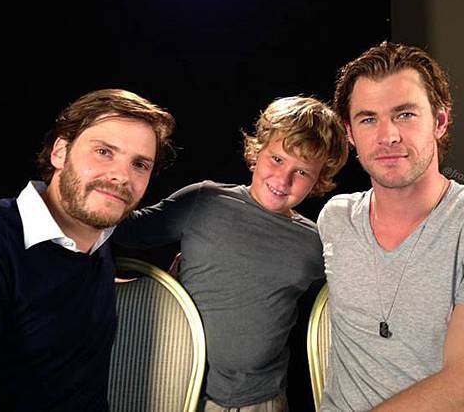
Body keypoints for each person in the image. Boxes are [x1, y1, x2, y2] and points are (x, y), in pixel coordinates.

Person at [317, 42, 464, 411]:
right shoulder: (336, 218)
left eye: (405, 114)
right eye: (368, 119)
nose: (388, 136)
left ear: (440, 121)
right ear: (349, 132)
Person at [113, 96, 348, 411]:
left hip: (261, 400)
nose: (283, 179)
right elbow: (120, 230)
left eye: (302, 172)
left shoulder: (314, 242)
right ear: (257, 151)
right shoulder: (205, 201)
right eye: (277, 159)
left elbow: (344, 307)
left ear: (319, 179)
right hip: (177, 391)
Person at [0, 89, 175, 411]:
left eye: (139, 164)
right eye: (104, 152)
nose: (122, 176)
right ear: (60, 152)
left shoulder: (98, 242)